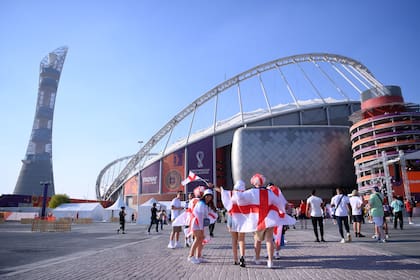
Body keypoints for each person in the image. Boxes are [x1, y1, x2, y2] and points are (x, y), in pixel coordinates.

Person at [223, 180, 247, 267]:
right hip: (242, 219)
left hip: (232, 218)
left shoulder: (231, 194)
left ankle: (235, 259)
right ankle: (242, 256)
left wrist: (213, 186)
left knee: (234, 240)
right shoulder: (245, 196)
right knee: (241, 239)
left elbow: (221, 191)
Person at [187, 189, 214, 264]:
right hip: (196, 223)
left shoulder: (204, 204)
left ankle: (198, 256)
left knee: (201, 239)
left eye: (210, 196)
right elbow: (199, 217)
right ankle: (191, 256)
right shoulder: (201, 204)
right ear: (205, 196)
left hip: (200, 224)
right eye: (208, 196)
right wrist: (201, 228)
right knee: (197, 239)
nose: (209, 198)